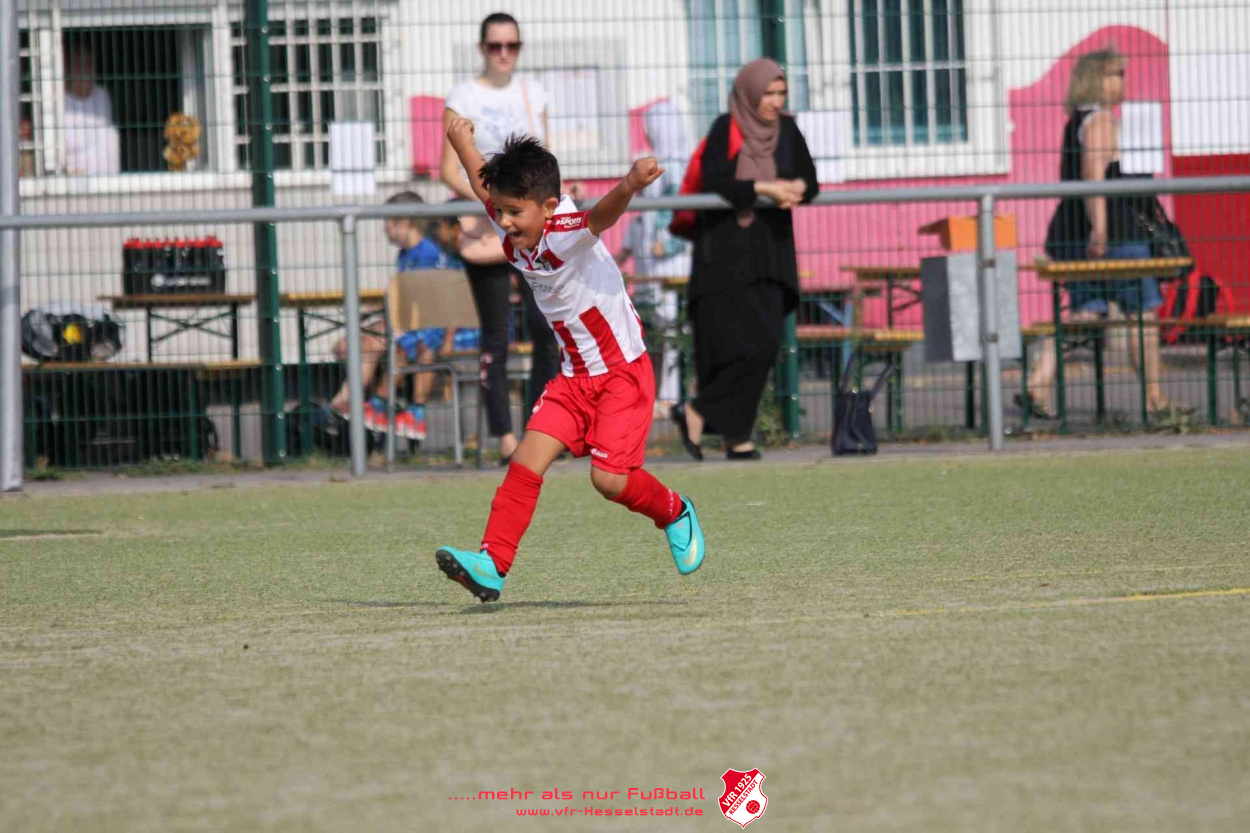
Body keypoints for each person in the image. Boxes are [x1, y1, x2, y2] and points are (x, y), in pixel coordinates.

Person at [434, 124, 706, 603]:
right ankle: (492, 565)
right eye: (501, 211)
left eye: (513, 212)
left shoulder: (563, 233)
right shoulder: (518, 221)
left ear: (548, 207)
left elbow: (600, 216)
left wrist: (629, 184)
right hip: (574, 378)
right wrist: (460, 140)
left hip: (621, 374)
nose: (504, 221)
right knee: (525, 460)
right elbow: (483, 185)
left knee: (609, 481)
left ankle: (674, 510)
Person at [670, 59, 817, 461]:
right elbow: (715, 181)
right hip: (724, 256)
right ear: (750, 93)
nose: (775, 102)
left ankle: (697, 412)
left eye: (780, 93)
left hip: (770, 254)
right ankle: (736, 437)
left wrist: (796, 186)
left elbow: (810, 179)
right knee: (729, 348)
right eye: (768, 93)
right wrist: (766, 188)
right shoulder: (726, 127)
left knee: (765, 345)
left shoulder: (788, 130)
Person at [1024, 46, 1176, 418]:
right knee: (1142, 315)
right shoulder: (1101, 120)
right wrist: (1101, 229)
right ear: (1098, 79)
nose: (1124, 81)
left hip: (1074, 232)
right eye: (1117, 74)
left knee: (1085, 312)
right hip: (1116, 235)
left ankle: (1039, 381)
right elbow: (1094, 174)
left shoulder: (1076, 120)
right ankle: (1155, 399)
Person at [441, 11, 560, 465]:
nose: (504, 54)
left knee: (545, 329)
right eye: (496, 46)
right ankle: (505, 438)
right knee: (496, 335)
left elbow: (546, 162)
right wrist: (491, 206)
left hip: (529, 229)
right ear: (482, 49)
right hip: (484, 226)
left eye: (513, 45)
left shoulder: (534, 92)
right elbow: (449, 169)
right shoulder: (463, 96)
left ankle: (539, 432)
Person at [329, 191, 474, 441]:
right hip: (412, 324)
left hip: (428, 328)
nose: (384, 228)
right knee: (348, 345)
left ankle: (358, 404)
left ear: (404, 222)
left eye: (387, 220)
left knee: (386, 343)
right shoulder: (406, 255)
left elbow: (436, 305)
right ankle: (355, 405)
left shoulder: (429, 254)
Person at [615, 100, 691, 412]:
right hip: (651, 261)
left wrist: (669, 245)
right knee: (656, 328)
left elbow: (682, 213)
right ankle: (656, 393)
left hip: (671, 261)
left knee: (671, 327)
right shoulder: (658, 162)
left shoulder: (678, 168)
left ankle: (671, 395)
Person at [62, 41, 121, 175]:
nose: (86, 70)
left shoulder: (101, 96)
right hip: (76, 179)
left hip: (109, 179)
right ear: (69, 69)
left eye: (89, 65)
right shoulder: (60, 102)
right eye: (80, 66)